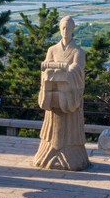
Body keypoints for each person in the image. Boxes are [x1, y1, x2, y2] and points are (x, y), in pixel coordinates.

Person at [32, 15, 88, 170]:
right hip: (54, 94)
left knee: (70, 130)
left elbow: (77, 70)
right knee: (51, 127)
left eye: (68, 28)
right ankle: (48, 153)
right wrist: (54, 69)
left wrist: (65, 71)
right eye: (63, 28)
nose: (65, 31)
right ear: (59, 29)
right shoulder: (52, 49)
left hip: (69, 97)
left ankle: (72, 155)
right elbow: (46, 67)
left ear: (73, 30)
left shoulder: (78, 52)